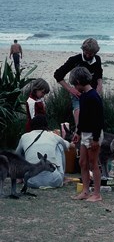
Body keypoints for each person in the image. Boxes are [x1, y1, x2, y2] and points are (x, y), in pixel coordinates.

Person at [69, 66, 104, 202]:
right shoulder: (83, 96)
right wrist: (78, 131)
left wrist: (95, 139)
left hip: (93, 134)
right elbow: (83, 116)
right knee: (82, 162)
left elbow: (98, 119)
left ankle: (97, 193)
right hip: (84, 133)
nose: (74, 87)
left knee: (93, 163)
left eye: (74, 84)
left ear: (78, 81)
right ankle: (85, 190)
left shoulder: (94, 97)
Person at [54, 38, 103, 127]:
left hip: (93, 93)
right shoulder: (74, 60)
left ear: (95, 52)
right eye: (86, 52)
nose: (87, 56)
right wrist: (70, 89)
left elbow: (99, 75)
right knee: (79, 117)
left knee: (94, 119)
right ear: (82, 50)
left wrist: (99, 86)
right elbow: (58, 75)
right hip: (78, 94)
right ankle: (78, 132)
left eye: (90, 54)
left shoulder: (97, 59)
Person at [16, 115, 72, 188]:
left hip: (30, 181)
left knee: (22, 152)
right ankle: (62, 176)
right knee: (60, 146)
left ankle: (19, 178)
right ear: (46, 125)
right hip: (54, 181)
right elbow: (66, 146)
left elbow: (16, 155)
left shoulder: (24, 137)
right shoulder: (52, 135)